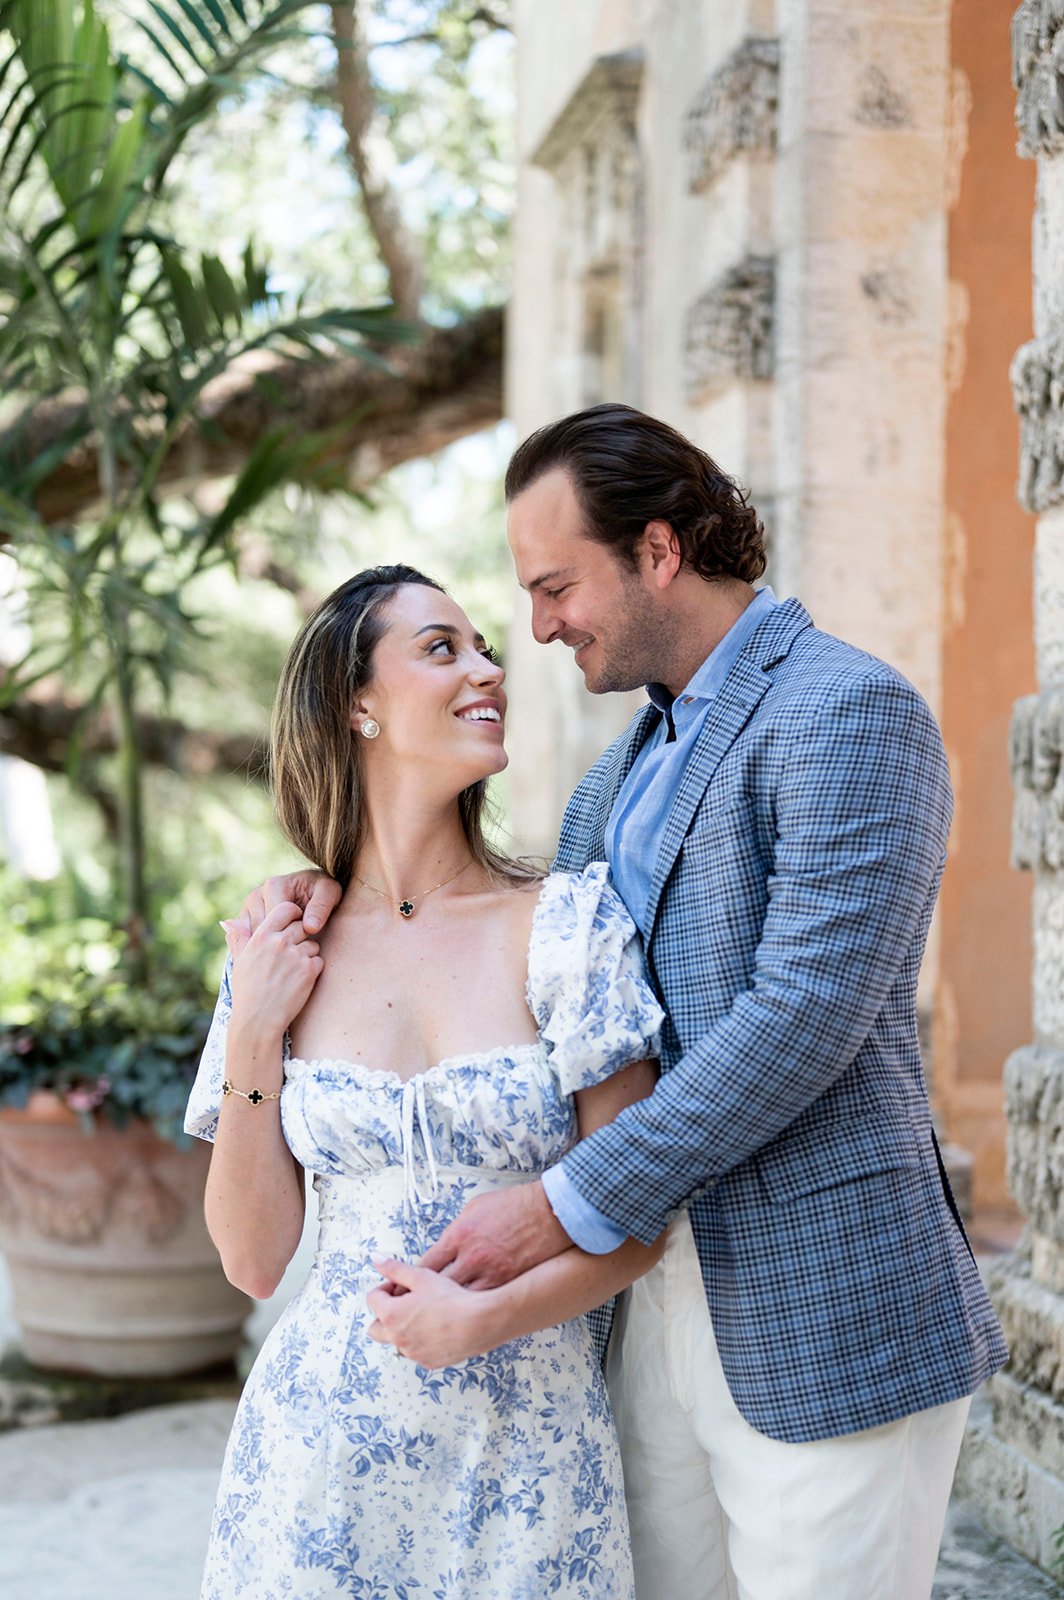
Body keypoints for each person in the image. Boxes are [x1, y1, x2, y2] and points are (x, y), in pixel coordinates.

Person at [256, 406, 1009, 1600]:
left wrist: (556, 1203)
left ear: (658, 551)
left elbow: (802, 1014)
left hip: (823, 1308)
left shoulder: (845, 711)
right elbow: (521, 967)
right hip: (641, 1327)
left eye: (557, 586)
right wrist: (326, 895)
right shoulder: (610, 783)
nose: (538, 627)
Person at [184, 562, 667, 1600]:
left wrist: (485, 1318)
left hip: (527, 1465)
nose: (487, 666)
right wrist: (257, 1030)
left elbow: (636, 1217)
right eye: (441, 647)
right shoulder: (277, 946)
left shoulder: (565, 924)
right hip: (312, 1469)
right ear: (355, 702)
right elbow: (253, 1259)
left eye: (483, 646)